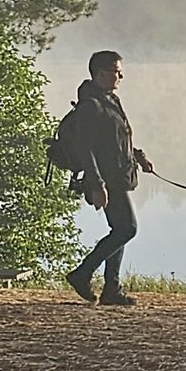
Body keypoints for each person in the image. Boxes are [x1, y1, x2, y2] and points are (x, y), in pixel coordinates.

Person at [65, 50, 154, 306]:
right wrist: (97, 185)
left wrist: (138, 156)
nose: (121, 75)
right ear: (101, 74)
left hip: (117, 177)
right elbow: (85, 149)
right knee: (128, 229)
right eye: (117, 71)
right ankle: (82, 274)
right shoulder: (90, 105)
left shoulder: (109, 99)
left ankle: (111, 290)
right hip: (107, 180)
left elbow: (117, 137)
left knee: (120, 230)